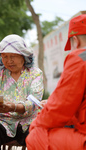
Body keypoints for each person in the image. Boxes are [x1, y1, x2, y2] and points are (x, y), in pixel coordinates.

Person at [26, 14, 86, 150]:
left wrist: (37, 123)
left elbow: (60, 108)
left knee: (36, 135)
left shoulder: (80, 58)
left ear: (75, 41)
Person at [0, 34, 44, 150]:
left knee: (39, 132)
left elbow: (34, 102)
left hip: (28, 123)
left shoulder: (35, 74)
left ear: (23, 56)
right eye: (5, 57)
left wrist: (13, 107)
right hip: (4, 123)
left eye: (13, 56)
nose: (9, 61)